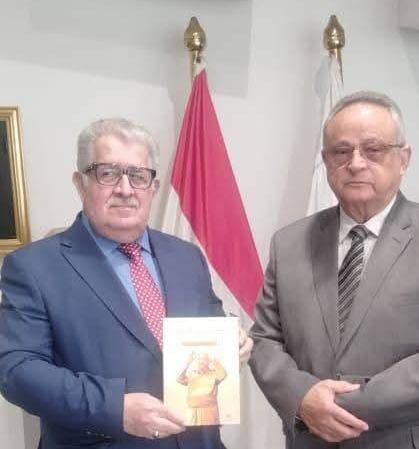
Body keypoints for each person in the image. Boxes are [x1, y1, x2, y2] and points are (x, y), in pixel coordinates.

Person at [249, 91, 419, 449]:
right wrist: (301, 397)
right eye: (341, 151)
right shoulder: (289, 243)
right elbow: (264, 340)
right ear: (325, 160)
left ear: (403, 158)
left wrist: (335, 406)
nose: (356, 163)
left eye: (373, 149)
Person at [0, 118, 252, 449]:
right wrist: (114, 408)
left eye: (138, 175)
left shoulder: (186, 256)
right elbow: (17, 371)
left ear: (153, 187)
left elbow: (209, 322)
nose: (125, 189)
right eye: (107, 173)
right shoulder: (33, 267)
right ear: (80, 183)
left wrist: (232, 340)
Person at [177, 352, 227, 426]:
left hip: (209, 412)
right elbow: (179, 379)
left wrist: (214, 361)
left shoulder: (214, 374)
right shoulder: (192, 374)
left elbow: (223, 375)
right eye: (199, 359)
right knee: (191, 432)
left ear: (208, 361)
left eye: (203, 359)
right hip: (192, 413)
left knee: (209, 432)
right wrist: (187, 363)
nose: (201, 361)